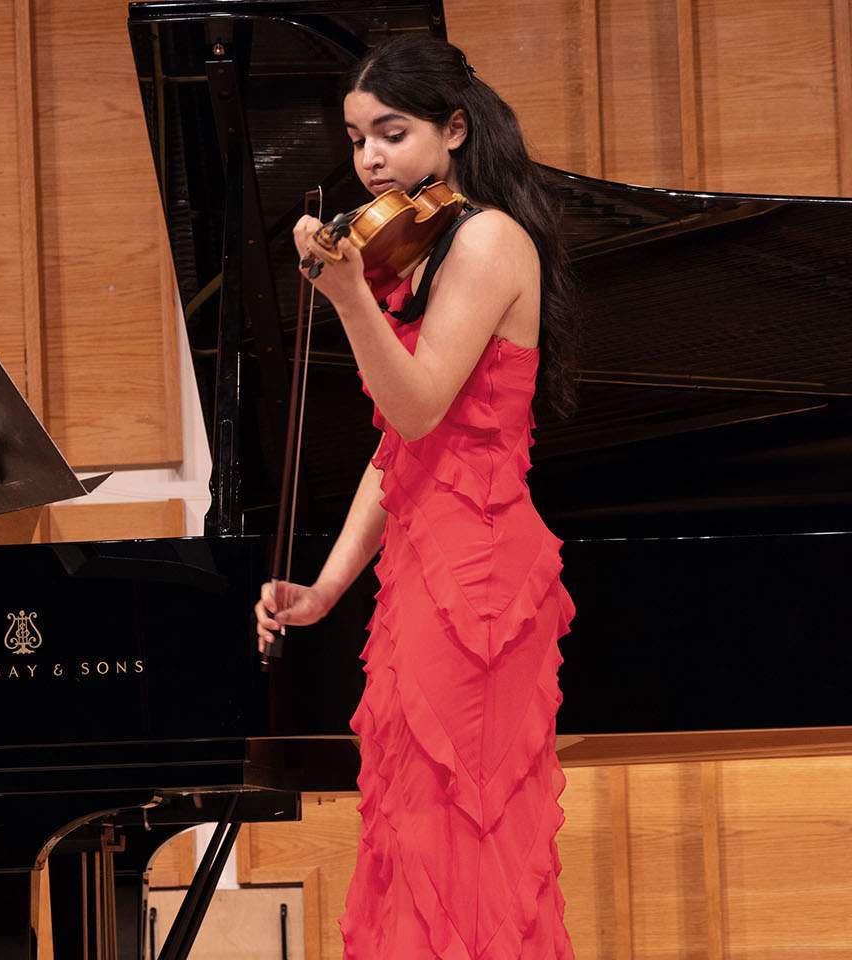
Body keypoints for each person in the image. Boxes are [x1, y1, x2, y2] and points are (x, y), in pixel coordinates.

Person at [254, 35, 580, 959]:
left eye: (391, 134)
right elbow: (400, 450)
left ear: (455, 129)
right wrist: (325, 589)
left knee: (462, 835)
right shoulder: (422, 248)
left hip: (478, 577)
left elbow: (419, 401)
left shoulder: (487, 240)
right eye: (358, 139)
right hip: (419, 572)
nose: (369, 159)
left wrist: (349, 298)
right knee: (410, 828)